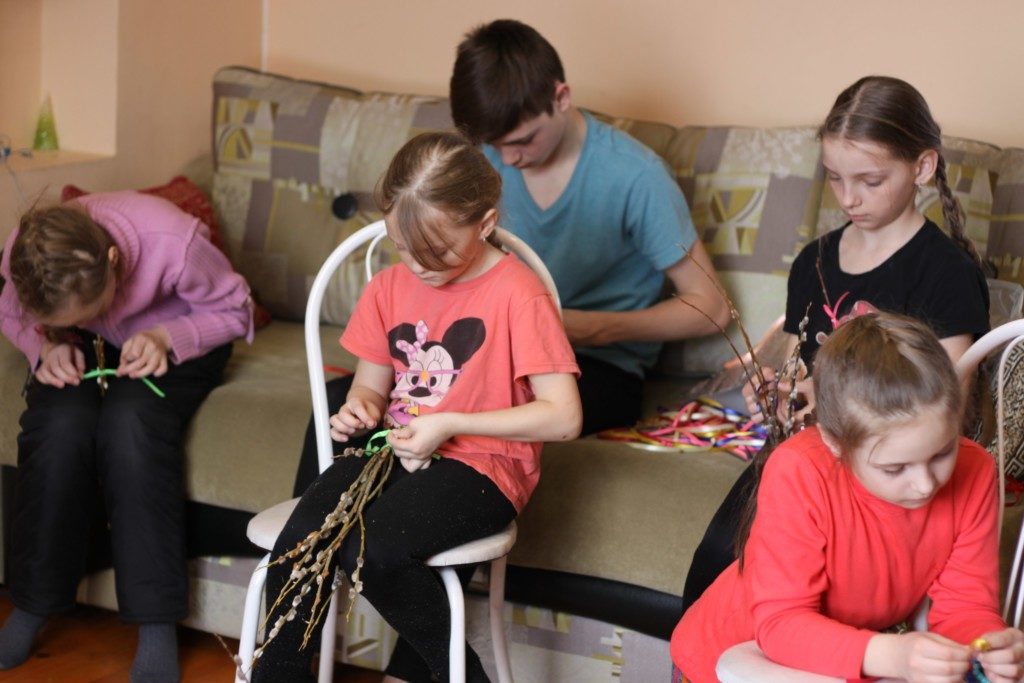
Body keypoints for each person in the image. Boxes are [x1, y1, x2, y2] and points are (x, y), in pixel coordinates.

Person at [250, 132, 582, 683]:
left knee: (374, 549)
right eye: (404, 248)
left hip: (485, 465)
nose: (420, 267)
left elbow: (564, 416)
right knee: (303, 540)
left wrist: (448, 423)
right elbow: (370, 388)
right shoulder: (387, 288)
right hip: (394, 450)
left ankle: (462, 676)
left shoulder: (518, 294)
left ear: (485, 223)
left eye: (437, 252)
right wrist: (359, 409)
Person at [680, 75, 991, 614]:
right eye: (835, 178)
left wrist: (831, 407)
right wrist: (785, 395)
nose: (848, 198)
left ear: (922, 167)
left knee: (799, 591)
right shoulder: (814, 261)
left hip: (885, 469)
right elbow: (803, 370)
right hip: (805, 460)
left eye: (870, 180)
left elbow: (946, 411)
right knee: (718, 569)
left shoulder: (945, 273)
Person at [672, 312, 1023, 683]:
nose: (924, 484)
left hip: (836, 667)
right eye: (895, 468)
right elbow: (780, 625)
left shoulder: (975, 471)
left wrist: (987, 646)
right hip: (726, 663)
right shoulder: (799, 470)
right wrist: (893, 655)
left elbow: (964, 605)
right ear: (835, 443)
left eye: (942, 452)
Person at [0, 192, 254, 682]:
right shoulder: (24, 256)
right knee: (58, 428)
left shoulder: (175, 242)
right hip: (79, 350)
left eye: (84, 312)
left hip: (177, 339)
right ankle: (32, 603)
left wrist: (166, 338)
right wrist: (45, 344)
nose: (82, 322)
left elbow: (237, 311)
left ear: (114, 262)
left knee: (131, 426)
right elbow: (11, 312)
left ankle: (156, 624)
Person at [447, 18, 730, 436]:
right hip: (500, 349)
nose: (507, 161)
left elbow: (712, 308)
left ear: (560, 97)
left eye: (523, 141)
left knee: (467, 419)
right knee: (368, 400)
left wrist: (593, 328)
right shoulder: (486, 160)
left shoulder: (637, 176)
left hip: (600, 367)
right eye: (494, 145)